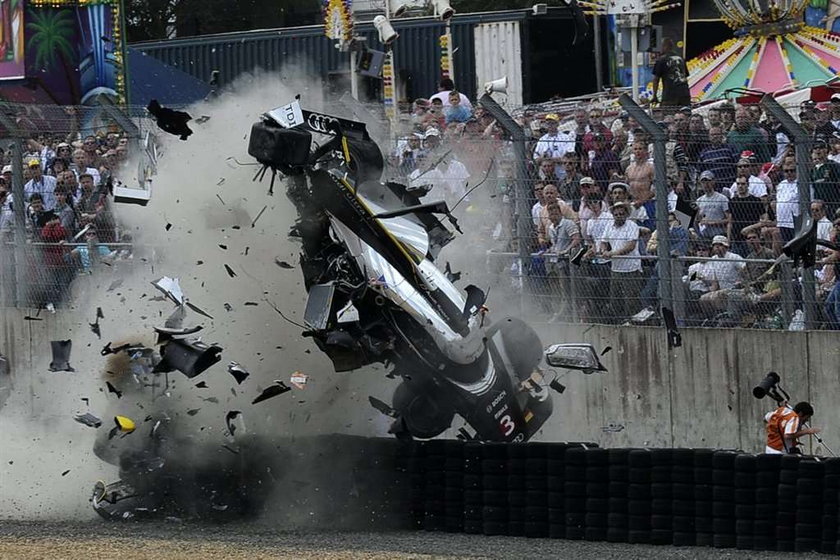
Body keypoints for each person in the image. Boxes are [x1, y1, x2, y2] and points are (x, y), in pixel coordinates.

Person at [597, 201, 643, 322]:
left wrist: (612, 253)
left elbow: (630, 246)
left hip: (631, 268)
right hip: (616, 268)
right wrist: (603, 250)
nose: (618, 216)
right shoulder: (609, 226)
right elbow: (603, 241)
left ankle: (632, 323)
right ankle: (618, 321)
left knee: (631, 300)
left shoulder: (632, 226)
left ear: (626, 214)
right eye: (616, 214)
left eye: (621, 214)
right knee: (615, 299)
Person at [651, 37, 691, 107]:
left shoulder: (661, 60)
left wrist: (654, 95)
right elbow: (685, 76)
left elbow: (656, 79)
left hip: (670, 95)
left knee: (668, 116)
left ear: (665, 46)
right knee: (685, 115)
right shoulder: (681, 59)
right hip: (685, 94)